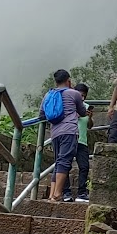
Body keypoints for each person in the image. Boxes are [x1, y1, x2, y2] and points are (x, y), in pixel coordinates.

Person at [44, 70, 88, 203]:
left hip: (55, 133)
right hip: (69, 131)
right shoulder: (74, 94)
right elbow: (82, 112)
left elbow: (42, 114)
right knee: (64, 161)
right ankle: (58, 193)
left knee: (59, 161)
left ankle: (52, 194)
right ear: (68, 81)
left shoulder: (49, 95)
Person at [72, 79, 91, 202]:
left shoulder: (87, 107)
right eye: (80, 95)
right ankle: (66, 193)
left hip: (82, 141)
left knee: (84, 167)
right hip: (70, 138)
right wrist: (78, 114)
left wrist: (90, 117)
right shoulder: (69, 106)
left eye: (84, 96)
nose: (82, 98)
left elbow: (90, 126)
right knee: (65, 166)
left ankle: (82, 193)